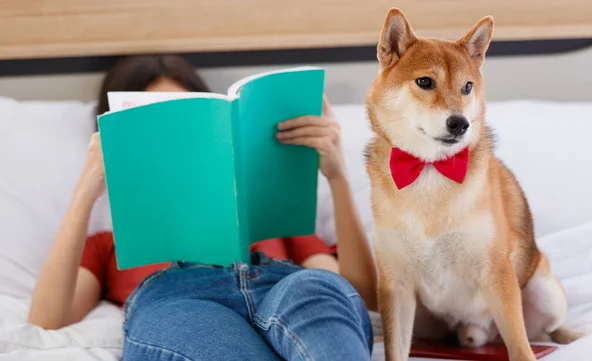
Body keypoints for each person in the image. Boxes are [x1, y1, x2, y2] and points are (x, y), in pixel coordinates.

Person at [28, 55, 377, 361]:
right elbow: (46, 321)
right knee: (198, 328)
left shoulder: (276, 223)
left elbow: (360, 295)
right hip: (179, 303)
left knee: (313, 290)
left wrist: (338, 176)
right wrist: (85, 189)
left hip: (280, 281)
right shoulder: (108, 244)